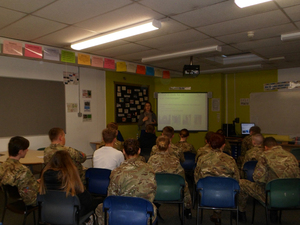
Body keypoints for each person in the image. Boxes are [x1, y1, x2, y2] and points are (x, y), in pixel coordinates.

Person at [238, 137, 300, 223]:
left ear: (266, 147)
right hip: (292, 195)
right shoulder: (291, 156)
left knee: (242, 183)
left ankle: (241, 214)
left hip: (272, 196)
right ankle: (274, 213)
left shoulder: (265, 156)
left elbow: (257, 178)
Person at [95, 138, 157, 224]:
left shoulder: (116, 172)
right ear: (139, 151)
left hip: (120, 211)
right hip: (144, 213)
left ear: (123, 151)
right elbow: (153, 192)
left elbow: (111, 197)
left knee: (99, 208)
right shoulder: (149, 169)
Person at [194, 133, 239, 225]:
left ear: (209, 144)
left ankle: (216, 215)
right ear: (224, 145)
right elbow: (236, 179)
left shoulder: (202, 159)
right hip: (226, 193)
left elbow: (196, 178)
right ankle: (217, 215)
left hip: (206, 193)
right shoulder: (230, 160)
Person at [39, 150, 98, 217]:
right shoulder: (69, 176)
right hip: (71, 214)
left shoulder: (45, 176)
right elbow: (87, 200)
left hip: (49, 213)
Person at [148, 135, 193, 219]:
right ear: (169, 146)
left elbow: (149, 175)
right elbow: (181, 176)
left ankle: (155, 204)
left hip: (157, 189)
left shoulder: (151, 159)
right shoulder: (175, 159)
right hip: (173, 189)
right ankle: (188, 209)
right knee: (185, 184)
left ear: (157, 146)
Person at [0, 136, 39, 206]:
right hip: (27, 200)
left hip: (11, 198)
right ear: (20, 152)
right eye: (26, 149)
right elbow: (28, 193)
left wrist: (34, 182)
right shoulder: (23, 171)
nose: (27, 150)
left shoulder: (2, 166)